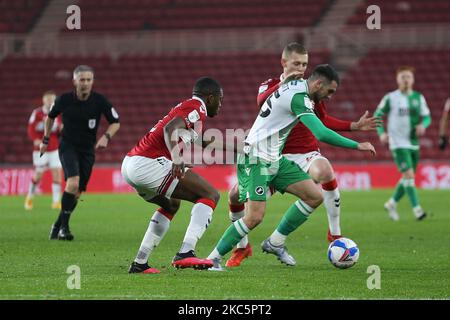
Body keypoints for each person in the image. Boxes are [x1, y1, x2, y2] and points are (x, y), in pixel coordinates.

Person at [202, 64, 376, 270]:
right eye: (329, 91)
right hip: (256, 158)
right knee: (254, 216)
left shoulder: (295, 88)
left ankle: (275, 242)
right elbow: (320, 133)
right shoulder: (298, 97)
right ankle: (212, 259)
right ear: (318, 83)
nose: (329, 97)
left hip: (274, 158)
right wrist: (357, 145)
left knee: (314, 196)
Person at [122, 77, 224, 274]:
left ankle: (139, 263)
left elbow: (202, 141)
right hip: (148, 163)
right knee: (211, 195)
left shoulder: (189, 110)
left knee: (171, 203)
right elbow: (170, 129)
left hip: (130, 164)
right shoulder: (198, 107)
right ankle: (185, 253)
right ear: (210, 98)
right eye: (220, 100)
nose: (221, 105)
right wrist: (177, 159)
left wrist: (239, 148)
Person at [40, 65, 120, 240]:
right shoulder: (64, 100)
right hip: (68, 146)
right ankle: (64, 229)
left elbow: (115, 121)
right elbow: (50, 116)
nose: (85, 83)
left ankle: (57, 225)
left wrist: (106, 136)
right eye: (82, 79)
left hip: (87, 151)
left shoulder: (99, 101)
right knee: (73, 183)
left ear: (92, 81)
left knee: (77, 192)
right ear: (75, 81)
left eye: (88, 80)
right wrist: (46, 139)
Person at [375, 66, 430, 221]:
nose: (406, 79)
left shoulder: (419, 98)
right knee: (409, 175)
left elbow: (427, 117)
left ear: (413, 80)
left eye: (408, 77)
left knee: (407, 177)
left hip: (413, 142)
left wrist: (423, 125)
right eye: (403, 77)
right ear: (397, 79)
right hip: (397, 143)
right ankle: (417, 209)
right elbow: (377, 115)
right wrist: (381, 133)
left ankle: (391, 203)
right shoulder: (390, 97)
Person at [25, 91, 63, 210]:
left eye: (52, 99)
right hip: (40, 148)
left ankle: (56, 202)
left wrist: (62, 130)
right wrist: (35, 139)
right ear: (43, 100)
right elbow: (30, 129)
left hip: (54, 148)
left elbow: (59, 132)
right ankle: (30, 197)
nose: (50, 101)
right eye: (48, 99)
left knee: (57, 173)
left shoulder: (58, 114)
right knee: (38, 175)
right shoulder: (37, 113)